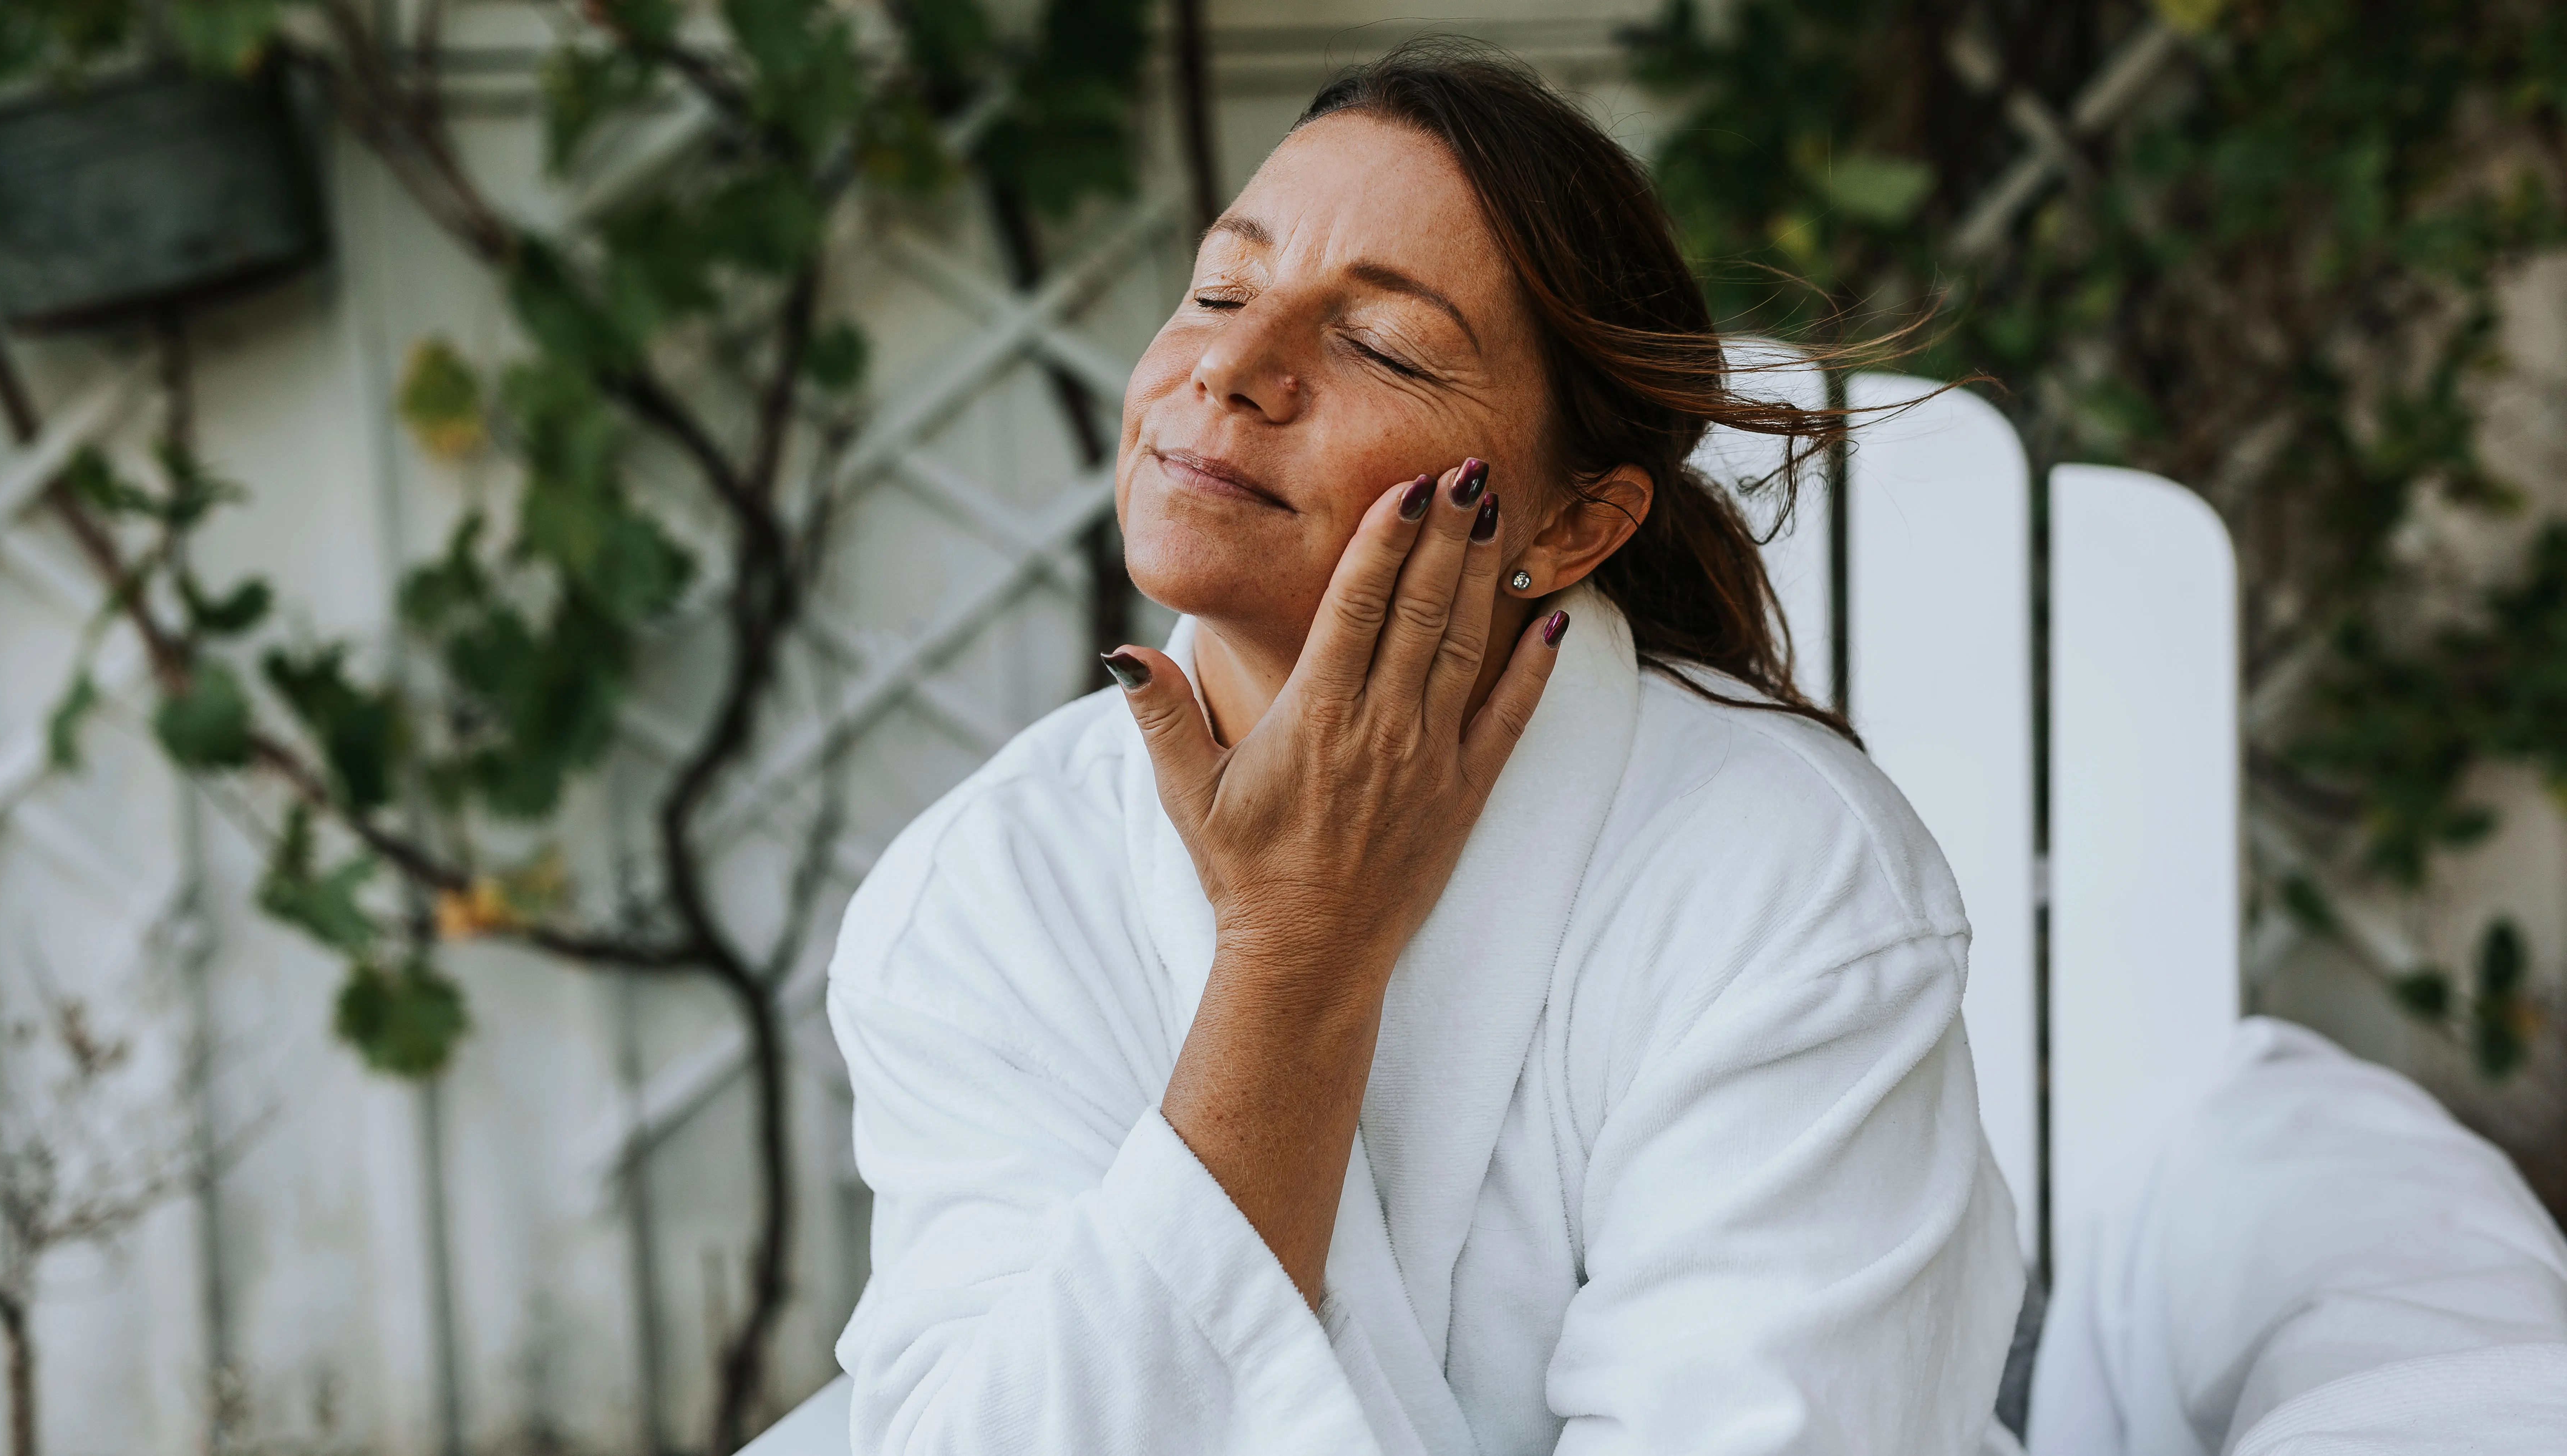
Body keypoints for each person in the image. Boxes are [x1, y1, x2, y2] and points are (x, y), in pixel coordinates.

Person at [825, 41, 2023, 1456]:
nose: (1234, 367)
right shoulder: (993, 884)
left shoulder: (1786, 882)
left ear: (1574, 526)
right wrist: (1295, 957)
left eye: (1382, 344)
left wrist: (1301, 943)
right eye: (1222, 286)